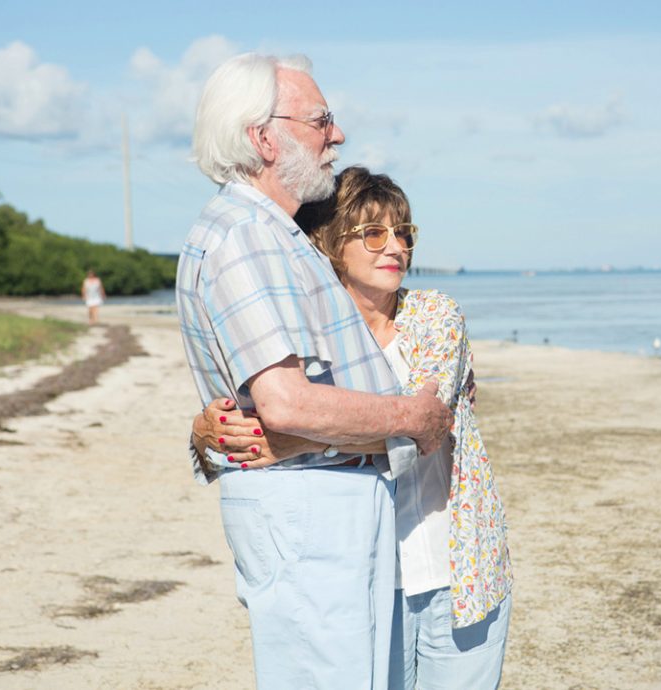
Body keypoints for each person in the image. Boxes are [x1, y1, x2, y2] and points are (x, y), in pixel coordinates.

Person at [175, 53, 453, 690]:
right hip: (311, 509)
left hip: (328, 503)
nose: (338, 134)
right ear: (263, 137)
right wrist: (412, 417)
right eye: (322, 119)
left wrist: (215, 436)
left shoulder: (276, 231)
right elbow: (287, 404)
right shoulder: (244, 233)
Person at [193, 167, 513, 689]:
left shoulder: (435, 316)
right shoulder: (309, 338)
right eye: (374, 232)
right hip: (361, 577)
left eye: (404, 232)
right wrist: (207, 431)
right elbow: (247, 426)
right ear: (331, 242)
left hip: (459, 573)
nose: (396, 247)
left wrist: (282, 439)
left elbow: (421, 424)